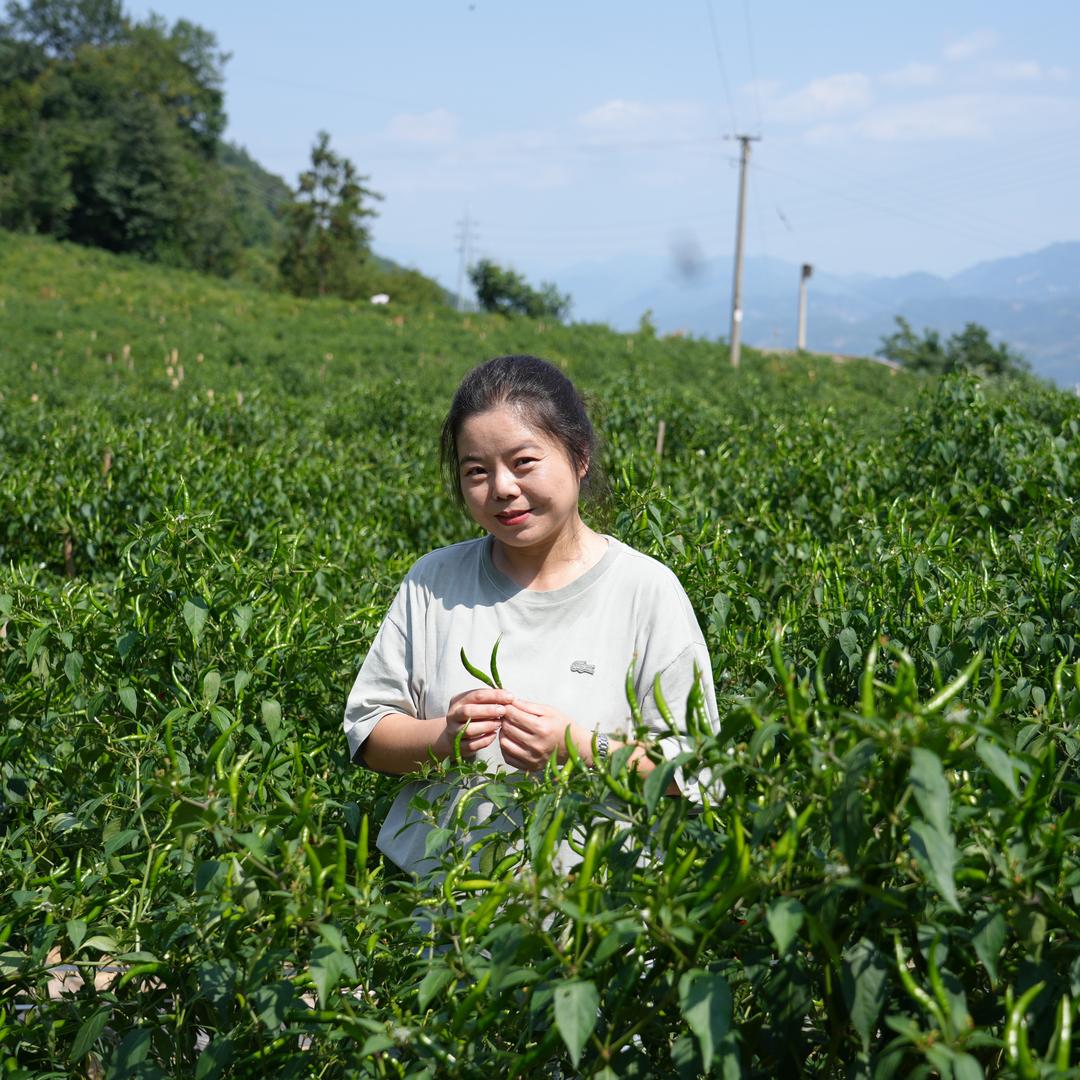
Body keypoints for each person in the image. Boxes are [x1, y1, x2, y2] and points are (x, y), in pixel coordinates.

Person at [344, 354, 719, 876]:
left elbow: (695, 772)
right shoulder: (434, 581)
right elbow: (368, 734)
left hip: (597, 919)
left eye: (524, 462)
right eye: (476, 470)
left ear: (580, 455)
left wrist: (582, 748)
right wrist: (443, 740)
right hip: (441, 920)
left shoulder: (645, 591)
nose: (500, 488)